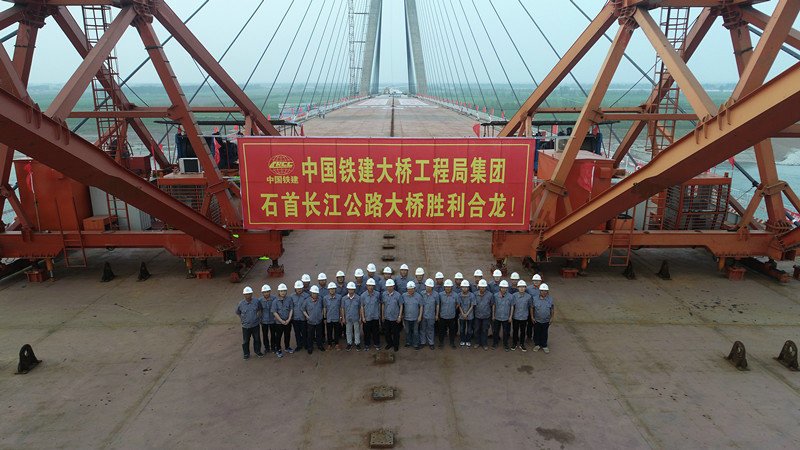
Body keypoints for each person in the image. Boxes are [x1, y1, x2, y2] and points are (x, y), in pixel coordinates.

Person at [236, 286, 263, 360]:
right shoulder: (240, 304)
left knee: (257, 339)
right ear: (244, 295)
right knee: (246, 341)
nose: (248, 295)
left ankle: (257, 351)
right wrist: (242, 320)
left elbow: (259, 310)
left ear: (252, 294)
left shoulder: (256, 301)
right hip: (246, 326)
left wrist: (258, 318)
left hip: (255, 325)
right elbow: (238, 312)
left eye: (249, 294)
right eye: (246, 294)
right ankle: (246, 354)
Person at [532, 283, 555, 353]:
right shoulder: (535, 299)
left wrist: (551, 318)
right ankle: (537, 344)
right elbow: (532, 308)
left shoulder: (550, 299)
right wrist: (532, 317)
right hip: (537, 320)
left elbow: (552, 309)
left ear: (547, 291)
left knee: (544, 333)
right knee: (536, 332)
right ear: (540, 291)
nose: (543, 292)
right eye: (542, 290)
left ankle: (544, 345)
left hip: (546, 320)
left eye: (545, 291)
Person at [381, 279, 403, 352]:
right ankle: (389, 343)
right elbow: (383, 304)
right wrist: (382, 315)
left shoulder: (398, 295)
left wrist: (399, 316)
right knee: (387, 332)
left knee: (396, 333)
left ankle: (396, 345)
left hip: (395, 318)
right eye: (388, 286)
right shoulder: (384, 294)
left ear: (393, 286)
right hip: (387, 317)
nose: (389, 288)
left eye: (391, 286)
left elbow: (401, 305)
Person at [271, 284, 293, 356]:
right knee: (278, 336)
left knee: (287, 335)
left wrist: (289, 319)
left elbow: (291, 309)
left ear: (286, 291)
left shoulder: (289, 299)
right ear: (278, 291)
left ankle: (287, 347)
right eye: (281, 291)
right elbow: (274, 312)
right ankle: (278, 349)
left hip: (287, 322)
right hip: (279, 323)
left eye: (284, 291)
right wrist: (281, 321)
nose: (283, 292)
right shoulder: (275, 301)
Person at [511, 280, 533, 352]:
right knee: (515, 331)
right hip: (515, 317)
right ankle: (514, 343)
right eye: (520, 287)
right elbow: (512, 306)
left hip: (524, 317)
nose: (521, 288)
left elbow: (530, 307)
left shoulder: (528, 297)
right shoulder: (514, 296)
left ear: (525, 288)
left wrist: (531, 316)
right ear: (517, 288)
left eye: (523, 287)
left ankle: (522, 344)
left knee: (523, 331)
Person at [303, 285, 326, 354]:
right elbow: (303, 309)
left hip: (319, 321)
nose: (315, 295)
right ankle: (310, 347)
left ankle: (320, 345)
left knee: (319, 335)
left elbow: (323, 307)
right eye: (313, 293)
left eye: (316, 293)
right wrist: (308, 317)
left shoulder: (320, 299)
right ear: (311, 293)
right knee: (310, 335)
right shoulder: (307, 301)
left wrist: (322, 315)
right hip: (310, 322)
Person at [491, 280, 513, 351]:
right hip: (497, 316)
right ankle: (495, 343)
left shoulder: (510, 296)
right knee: (495, 331)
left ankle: (505, 344)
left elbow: (512, 306)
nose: (504, 289)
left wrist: (510, 316)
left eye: (505, 288)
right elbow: (494, 305)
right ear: (500, 287)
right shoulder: (496, 295)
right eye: (502, 287)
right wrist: (493, 315)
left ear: (507, 288)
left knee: (506, 332)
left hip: (506, 317)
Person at [361, 278, 382, 350]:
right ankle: (367, 344)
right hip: (367, 317)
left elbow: (379, 304)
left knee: (376, 331)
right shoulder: (363, 295)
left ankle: (377, 344)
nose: (371, 287)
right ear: (367, 286)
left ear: (374, 286)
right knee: (366, 332)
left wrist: (379, 313)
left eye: (372, 285)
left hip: (375, 316)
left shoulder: (377, 294)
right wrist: (363, 317)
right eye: (369, 285)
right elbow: (362, 306)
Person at [437, 279, 458, 348]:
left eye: (449, 287)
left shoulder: (455, 295)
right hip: (442, 316)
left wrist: (452, 310)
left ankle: (452, 343)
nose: (448, 288)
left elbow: (457, 304)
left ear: (451, 287)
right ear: (444, 287)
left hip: (451, 316)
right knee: (441, 331)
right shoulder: (440, 295)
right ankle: (441, 343)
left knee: (452, 331)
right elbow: (438, 305)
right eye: (446, 287)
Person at [419, 278, 440, 350]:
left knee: (431, 329)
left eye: (430, 287)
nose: (428, 288)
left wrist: (436, 315)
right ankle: (423, 342)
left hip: (431, 315)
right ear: (425, 286)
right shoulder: (422, 293)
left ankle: (431, 343)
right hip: (423, 315)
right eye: (427, 286)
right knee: (422, 329)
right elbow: (420, 305)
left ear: (432, 287)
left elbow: (437, 305)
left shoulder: (436, 294)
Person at [473, 280, 492, 350]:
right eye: (481, 287)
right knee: (476, 329)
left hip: (486, 316)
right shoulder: (475, 294)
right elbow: (474, 305)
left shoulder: (490, 295)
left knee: (485, 330)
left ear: (486, 287)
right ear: (479, 287)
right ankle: (477, 342)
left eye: (484, 287)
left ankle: (484, 343)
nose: (483, 288)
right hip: (477, 315)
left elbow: (491, 304)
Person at [403, 281, 423, 350]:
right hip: (406, 318)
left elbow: (421, 306)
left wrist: (420, 316)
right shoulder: (404, 296)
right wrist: (402, 316)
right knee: (407, 331)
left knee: (416, 331)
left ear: (414, 289)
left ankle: (416, 344)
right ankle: (408, 342)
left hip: (415, 318)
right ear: (407, 289)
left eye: (412, 289)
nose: (410, 290)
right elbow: (402, 306)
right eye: (409, 289)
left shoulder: (418, 296)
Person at [289, 280, 308, 352]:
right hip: (295, 318)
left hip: (303, 318)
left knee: (304, 332)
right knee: (297, 333)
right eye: (297, 288)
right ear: (295, 289)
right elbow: (291, 307)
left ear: (303, 288)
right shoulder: (291, 296)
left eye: (300, 288)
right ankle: (299, 345)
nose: (299, 290)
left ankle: (305, 344)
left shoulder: (307, 296)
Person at [342, 282, 362, 351]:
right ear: (347, 289)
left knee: (357, 331)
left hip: (356, 318)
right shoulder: (344, 298)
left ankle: (357, 343)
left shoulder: (358, 298)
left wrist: (360, 317)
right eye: (350, 289)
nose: (351, 291)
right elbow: (342, 308)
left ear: (354, 290)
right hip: (348, 318)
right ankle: (349, 343)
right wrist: (343, 318)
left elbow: (360, 308)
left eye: (352, 289)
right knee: (348, 331)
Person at [323, 282, 343, 350]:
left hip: (336, 317)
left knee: (336, 331)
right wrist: (324, 318)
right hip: (329, 318)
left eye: (333, 289)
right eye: (330, 289)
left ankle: (337, 344)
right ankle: (329, 344)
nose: (332, 290)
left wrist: (340, 316)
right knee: (329, 331)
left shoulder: (339, 297)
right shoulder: (325, 298)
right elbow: (325, 308)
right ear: (328, 290)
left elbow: (340, 307)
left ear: (335, 289)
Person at [457, 280, 475, 347]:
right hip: (462, 315)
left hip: (470, 315)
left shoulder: (472, 295)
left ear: (468, 287)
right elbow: (459, 305)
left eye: (466, 287)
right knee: (462, 329)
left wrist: (467, 314)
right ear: (461, 287)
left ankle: (468, 340)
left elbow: (472, 305)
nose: (465, 288)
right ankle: (462, 340)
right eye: (463, 287)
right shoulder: (459, 295)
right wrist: (462, 313)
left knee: (469, 330)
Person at [526, 274, 542, 343]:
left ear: (540, 281)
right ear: (532, 281)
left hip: (539, 310)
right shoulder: (528, 289)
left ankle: (537, 337)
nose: (536, 282)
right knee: (530, 324)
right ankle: (529, 337)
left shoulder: (543, 289)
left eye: (538, 281)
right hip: (530, 309)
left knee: (537, 325)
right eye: (535, 280)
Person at [258, 284, 274, 355]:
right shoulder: (260, 300)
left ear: (270, 291)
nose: (266, 293)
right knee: (265, 335)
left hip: (273, 320)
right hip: (264, 321)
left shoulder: (274, 299)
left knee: (273, 334)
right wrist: (259, 319)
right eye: (264, 292)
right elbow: (259, 310)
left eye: (267, 292)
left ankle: (273, 347)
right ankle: (267, 348)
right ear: (262, 293)